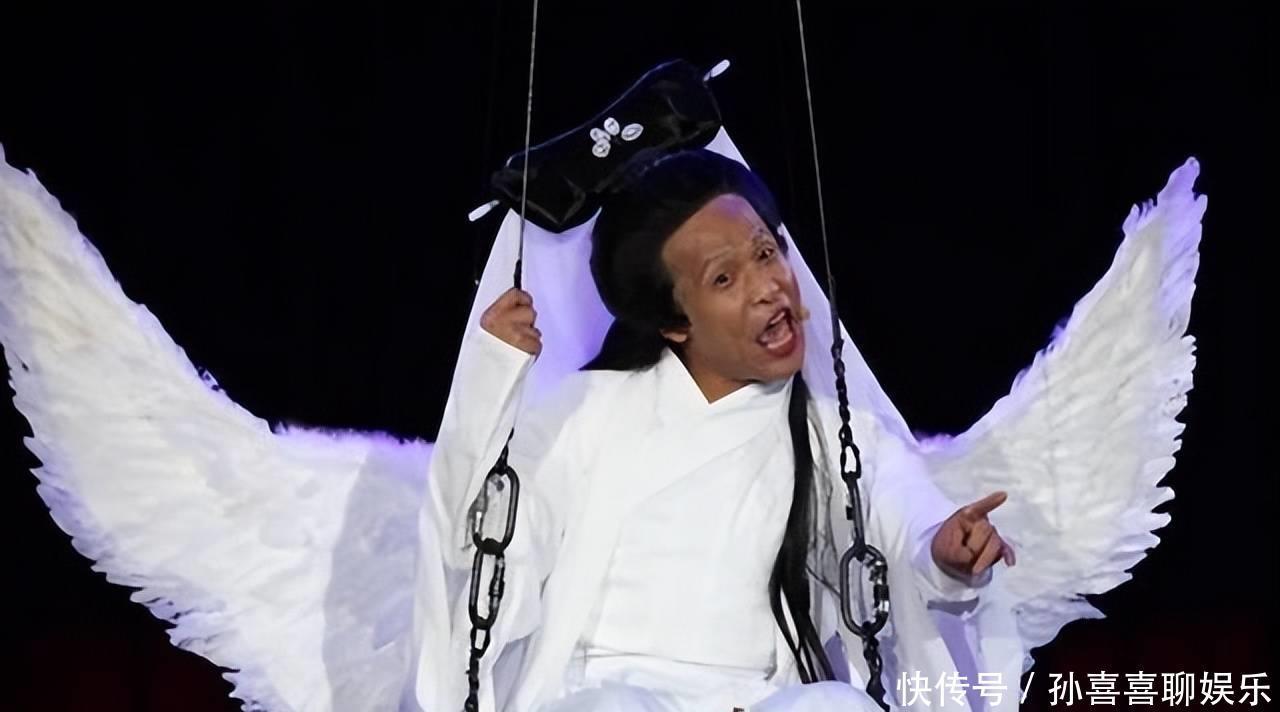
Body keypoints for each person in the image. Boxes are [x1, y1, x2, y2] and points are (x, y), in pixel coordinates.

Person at [429, 149, 1015, 712]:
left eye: (766, 253)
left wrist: (943, 550)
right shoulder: (585, 412)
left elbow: (896, 506)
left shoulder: (829, 432)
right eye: (725, 279)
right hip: (604, 689)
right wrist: (489, 379)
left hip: (753, 697)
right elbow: (485, 539)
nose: (768, 287)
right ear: (674, 323)